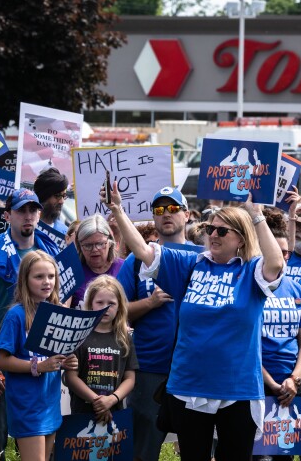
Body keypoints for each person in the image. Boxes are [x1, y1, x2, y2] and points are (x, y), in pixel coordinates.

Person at [108, 182, 285, 461]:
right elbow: (144, 251)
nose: (213, 235)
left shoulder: (251, 272)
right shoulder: (192, 264)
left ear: (240, 238)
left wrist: (256, 215)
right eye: (210, 229)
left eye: (222, 231)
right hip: (189, 386)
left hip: (237, 388)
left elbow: (275, 263)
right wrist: (118, 210)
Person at [0, 189, 60, 461]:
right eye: (22, 210)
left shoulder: (48, 252)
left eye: (33, 210)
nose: (28, 216)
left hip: (40, 363)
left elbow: (59, 300)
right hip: (3, 352)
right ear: (7, 215)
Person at [116, 187, 190, 461]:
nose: (166, 214)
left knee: (198, 446)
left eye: (172, 208)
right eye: (159, 210)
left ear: (187, 214)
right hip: (148, 366)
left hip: (195, 368)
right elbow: (116, 313)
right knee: (143, 448)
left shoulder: (206, 258)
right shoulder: (137, 261)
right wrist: (149, 303)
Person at [0, 251, 78, 461]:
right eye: (39, 277)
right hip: (26, 403)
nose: (46, 282)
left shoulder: (57, 311)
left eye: (51, 276)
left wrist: (68, 361)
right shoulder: (16, 315)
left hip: (50, 401)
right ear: (25, 279)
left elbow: (56, 356)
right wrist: (38, 367)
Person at [262, 210, 301, 461]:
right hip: (258, 381)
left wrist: (295, 378)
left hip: (293, 382)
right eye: (277, 252)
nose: (282, 258)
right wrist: (271, 383)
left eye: (286, 253)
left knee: (286, 453)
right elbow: (244, 344)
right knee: (258, 454)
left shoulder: (297, 290)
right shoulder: (252, 288)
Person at [65, 275, 137, 423]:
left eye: (111, 303)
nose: (106, 307)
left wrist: (112, 399)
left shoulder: (124, 338)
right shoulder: (79, 335)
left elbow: (130, 378)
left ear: (119, 307)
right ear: (91, 304)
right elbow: (71, 377)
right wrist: (98, 402)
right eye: (100, 302)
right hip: (81, 412)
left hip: (115, 412)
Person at [71, 215, 124, 308]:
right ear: (79, 246)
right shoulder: (72, 271)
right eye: (88, 245)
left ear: (110, 242)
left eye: (100, 244)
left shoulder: (124, 268)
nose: (94, 249)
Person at [33, 168, 68, 233]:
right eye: (57, 196)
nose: (62, 201)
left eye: (64, 196)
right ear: (44, 197)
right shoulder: (26, 228)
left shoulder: (65, 233)